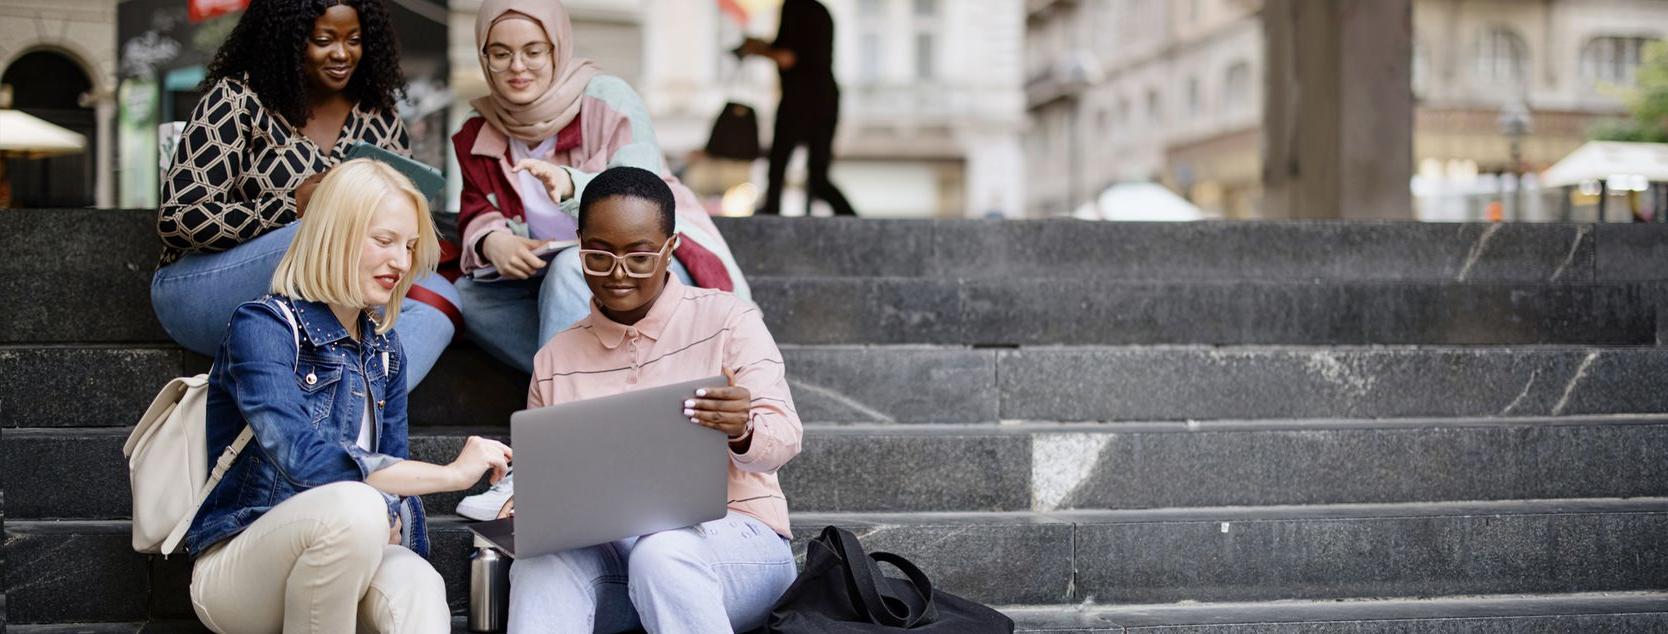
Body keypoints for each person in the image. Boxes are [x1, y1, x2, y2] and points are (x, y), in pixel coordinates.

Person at [184, 159, 514, 633]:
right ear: (333, 234)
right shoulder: (262, 326)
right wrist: (451, 475)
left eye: (409, 246)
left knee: (417, 583)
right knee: (356, 508)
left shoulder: (384, 348)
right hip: (242, 567)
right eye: (384, 241)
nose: (401, 262)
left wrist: (392, 510)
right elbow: (300, 455)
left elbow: (392, 471)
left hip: (349, 551)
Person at [499, 166, 801, 633]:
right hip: (615, 554)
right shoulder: (555, 358)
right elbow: (549, 481)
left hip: (737, 545)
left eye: (639, 257)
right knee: (540, 564)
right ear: (578, 243)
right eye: (598, 255)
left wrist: (743, 430)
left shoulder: (729, 321)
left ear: (671, 247)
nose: (618, 274)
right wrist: (528, 505)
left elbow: (783, 440)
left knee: (663, 551)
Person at [152, 0, 460, 388]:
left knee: (438, 297)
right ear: (290, 39)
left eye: (354, 40)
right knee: (323, 235)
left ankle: (352, 407)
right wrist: (291, 206)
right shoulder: (237, 99)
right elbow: (178, 218)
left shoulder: (380, 120)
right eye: (323, 39)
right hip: (202, 289)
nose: (342, 53)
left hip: (336, 294)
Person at [452, 0, 750, 377]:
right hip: (547, 279)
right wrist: (492, 240)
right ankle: (614, 373)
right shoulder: (478, 128)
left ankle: (565, 403)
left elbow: (642, 198)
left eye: (533, 51)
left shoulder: (607, 98)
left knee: (568, 269)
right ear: (484, 56)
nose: (517, 66)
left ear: (557, 48)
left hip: (643, 265)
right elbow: (477, 205)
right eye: (500, 53)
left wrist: (571, 186)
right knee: (466, 296)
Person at [739, 0, 858, 217]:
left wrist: (757, 50)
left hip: (801, 99)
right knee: (818, 176)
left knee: (778, 168)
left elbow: (788, 57)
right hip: (824, 98)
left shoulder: (795, 8)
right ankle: (854, 222)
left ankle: (770, 219)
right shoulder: (820, 11)